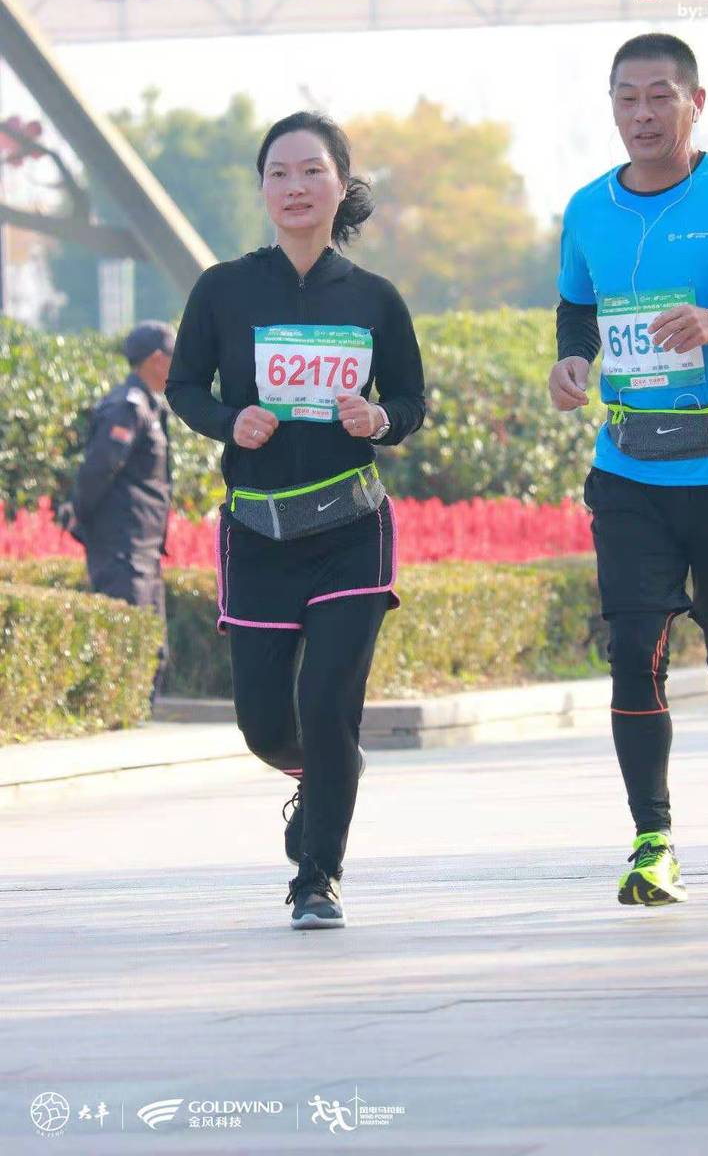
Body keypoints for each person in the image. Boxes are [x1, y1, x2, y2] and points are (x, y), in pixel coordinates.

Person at [549, 33, 708, 907]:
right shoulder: (588, 208)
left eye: (661, 96)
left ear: (696, 102)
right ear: (612, 106)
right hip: (628, 467)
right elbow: (576, 307)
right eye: (627, 98)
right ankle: (652, 841)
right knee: (633, 651)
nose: (643, 114)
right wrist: (572, 361)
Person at [166, 112, 425, 930]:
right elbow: (184, 387)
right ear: (262, 190)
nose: (295, 187)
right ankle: (323, 780)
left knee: (328, 704)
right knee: (264, 723)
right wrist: (228, 421)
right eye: (278, 173)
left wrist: (379, 419)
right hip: (258, 534)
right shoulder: (224, 288)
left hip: (351, 528)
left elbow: (411, 400)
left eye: (312, 171)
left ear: (341, 184)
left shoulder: (375, 299)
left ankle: (317, 879)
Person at [62, 321, 175, 702]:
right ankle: (118, 714)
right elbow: (99, 469)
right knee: (125, 643)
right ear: (157, 359)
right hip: (122, 547)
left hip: (142, 548)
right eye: (173, 356)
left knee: (151, 647)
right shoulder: (127, 408)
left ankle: (136, 716)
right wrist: (80, 514)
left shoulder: (149, 406)